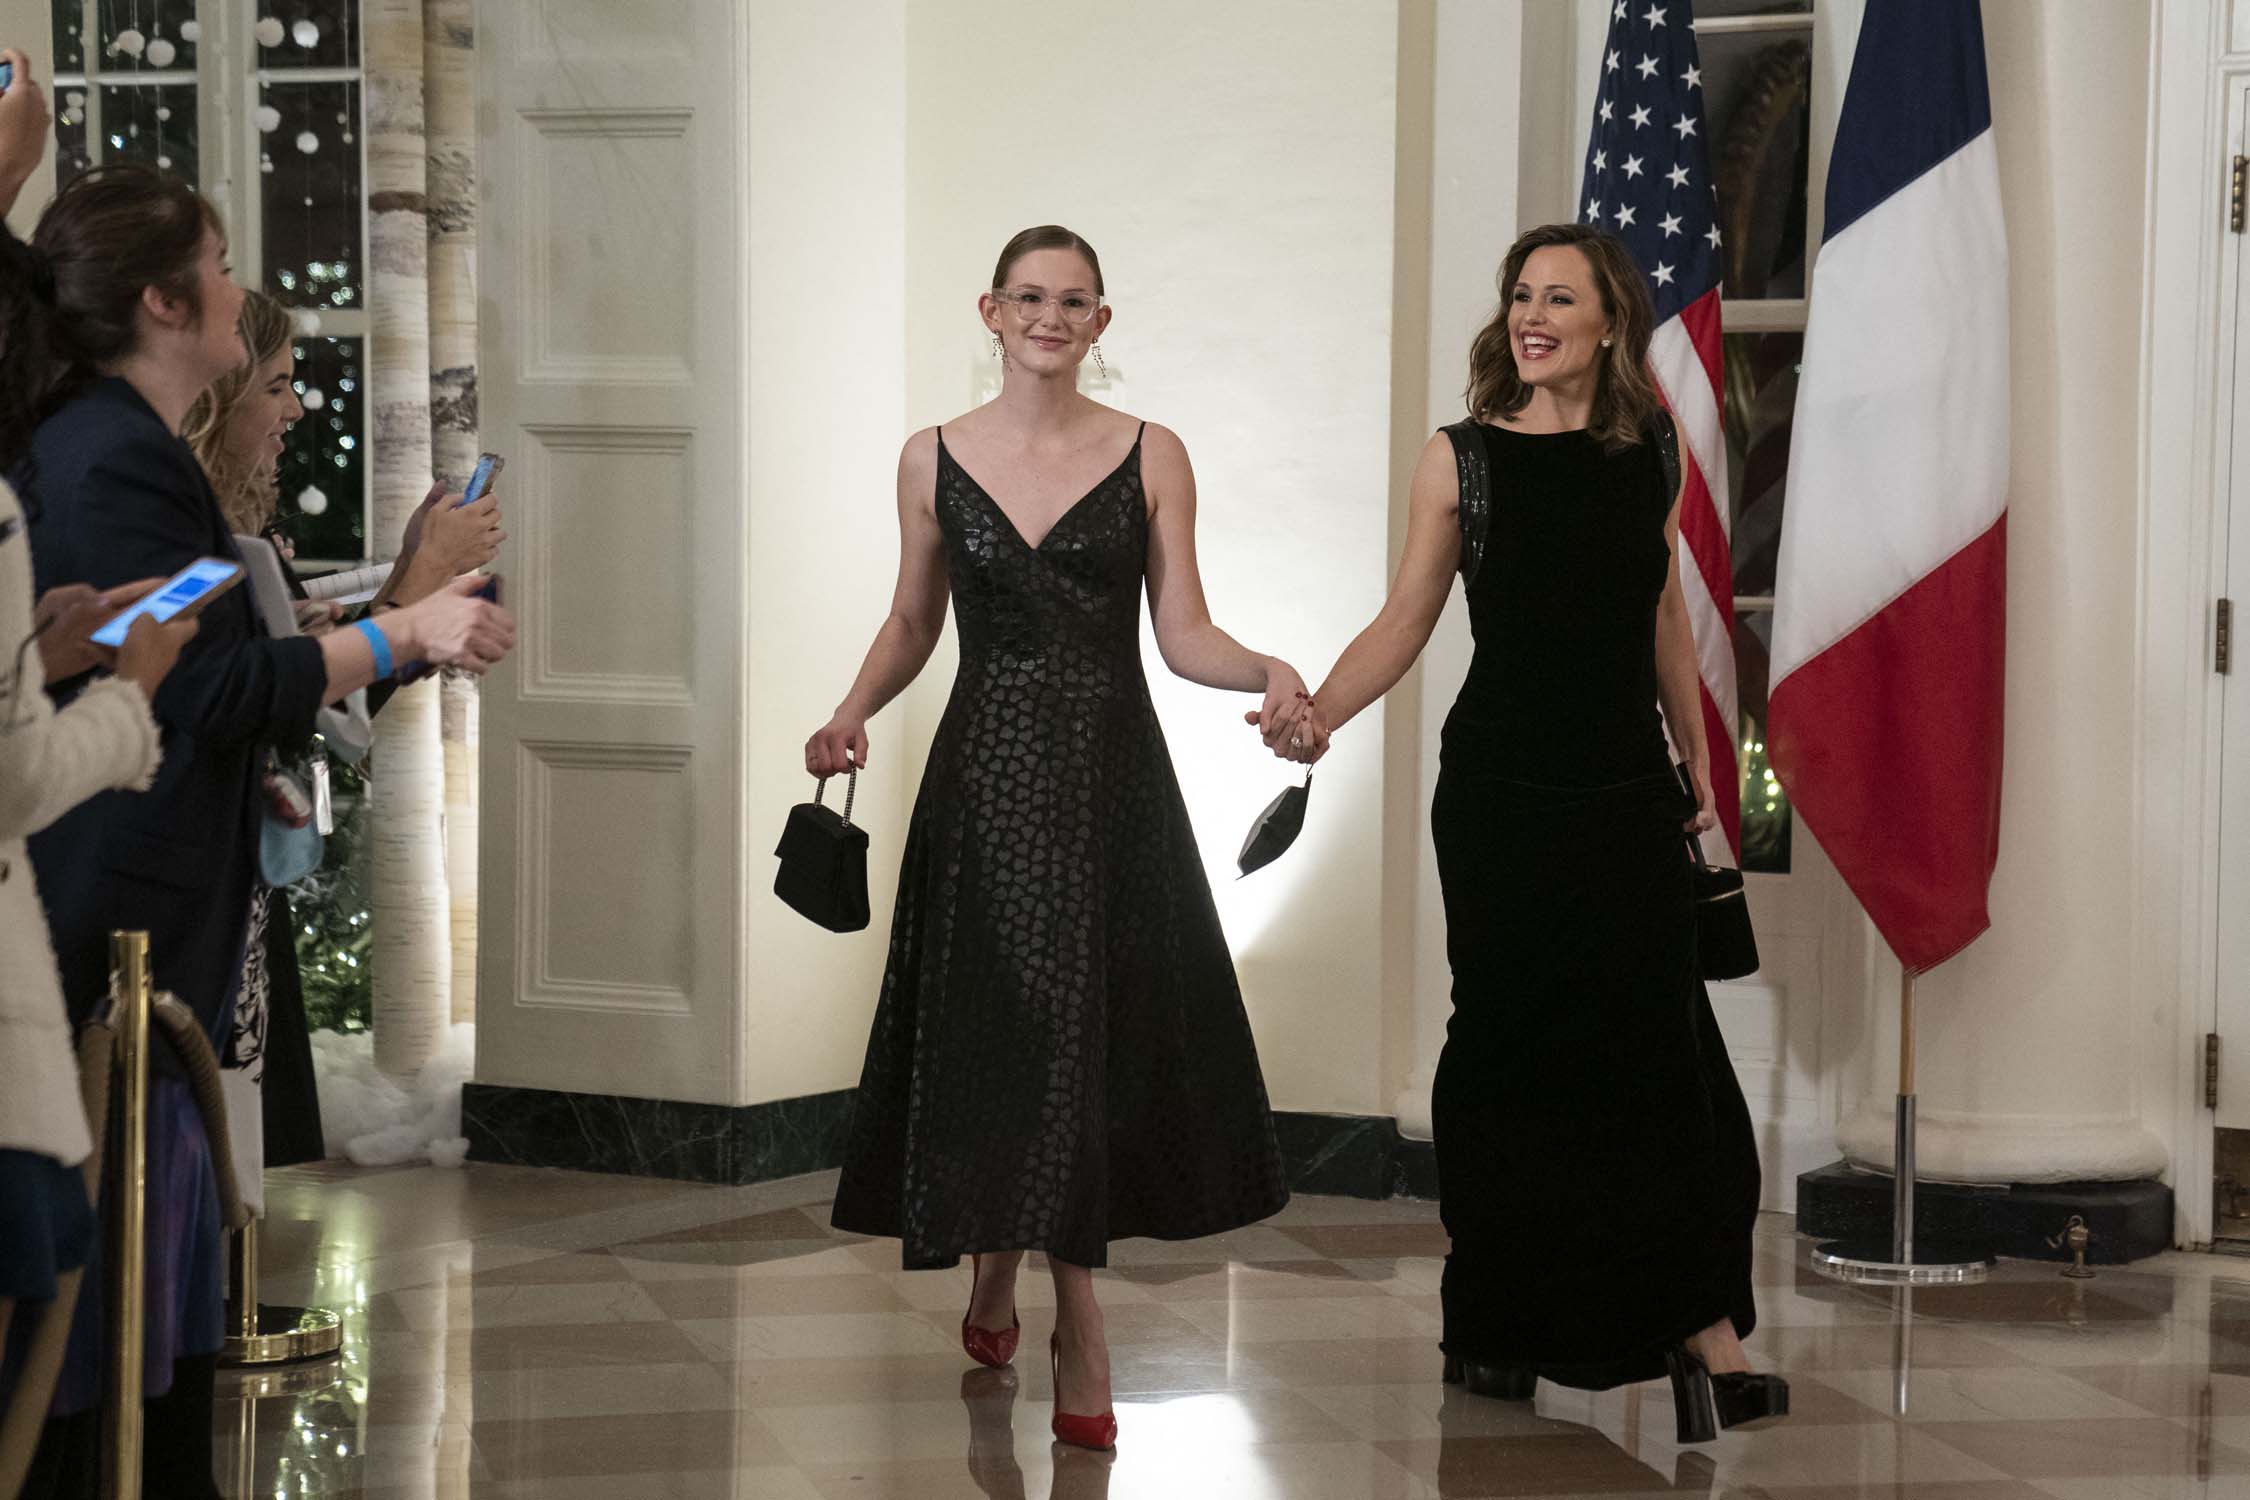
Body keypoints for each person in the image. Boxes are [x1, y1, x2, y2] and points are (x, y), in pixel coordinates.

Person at [0, 163, 514, 1498]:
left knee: (146, 1313)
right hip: (115, 910)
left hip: (152, 896)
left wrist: (96, 642)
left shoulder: (116, 451)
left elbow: (148, 643)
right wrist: (409, 628)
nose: (242, 288)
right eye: (220, 263)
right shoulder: (109, 450)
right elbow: (207, 684)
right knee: (104, 1330)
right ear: (168, 302)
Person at [1276, 223, 1784, 1443]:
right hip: (1501, 794)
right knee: (1507, 1053)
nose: (1533, 315)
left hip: (1622, 791)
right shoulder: (1462, 462)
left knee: (1662, 1060)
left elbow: (1662, 610)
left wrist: (1699, 760)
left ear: (1612, 320)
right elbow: (1405, 620)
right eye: (1520, 296)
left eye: (1561, 297)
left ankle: (1705, 1326)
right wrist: (1319, 716)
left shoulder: (1648, 445)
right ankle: (1496, 1322)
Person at [817, 225, 1305, 1452]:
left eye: (1074, 300)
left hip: (1107, 786)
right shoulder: (930, 455)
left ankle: (1064, 1304)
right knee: (1006, 1037)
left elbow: (1184, 632)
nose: (1049, 316)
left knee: (1077, 1044)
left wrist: (1273, 668)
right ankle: (1018, 1284)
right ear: (990, 310)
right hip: (982, 783)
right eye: (1028, 297)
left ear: (1101, 323)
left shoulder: (1153, 455)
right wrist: (847, 712)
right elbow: (912, 617)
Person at [179, 289, 505, 1169]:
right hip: (196, 865)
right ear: (218, 399)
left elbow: (293, 667)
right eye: (277, 387)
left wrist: (407, 578)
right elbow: (290, 704)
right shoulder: (182, 527)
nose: (296, 409)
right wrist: (414, 594)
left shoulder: (233, 526)